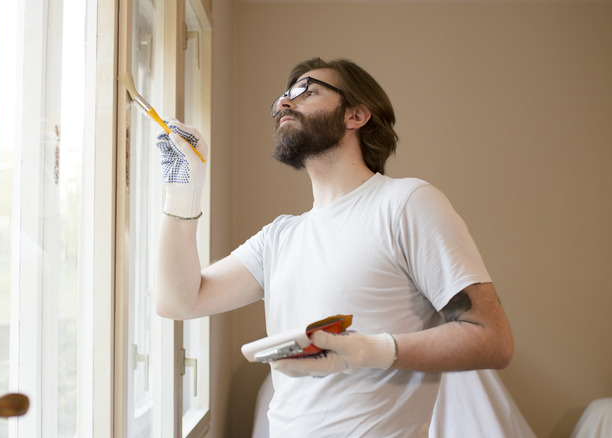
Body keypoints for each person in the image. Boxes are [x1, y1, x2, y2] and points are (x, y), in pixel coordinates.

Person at [154, 57, 513, 437]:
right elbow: (178, 301)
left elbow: (492, 338)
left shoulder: (406, 203)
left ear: (356, 115)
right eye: (282, 98)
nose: (284, 104)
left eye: (307, 92)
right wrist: (183, 194)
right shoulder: (279, 238)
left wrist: (368, 351)